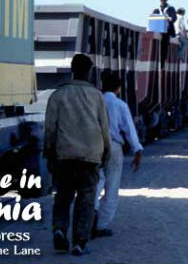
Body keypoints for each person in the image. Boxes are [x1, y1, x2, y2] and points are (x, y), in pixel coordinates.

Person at [44, 54, 111, 256]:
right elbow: (104, 128)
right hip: (90, 154)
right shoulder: (97, 96)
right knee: (86, 198)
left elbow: (50, 128)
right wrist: (106, 151)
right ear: (89, 72)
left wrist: (49, 152)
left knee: (63, 196)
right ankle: (80, 242)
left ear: (72, 70)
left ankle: (59, 229)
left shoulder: (58, 94)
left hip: (65, 154)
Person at [93, 74, 143, 238]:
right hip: (114, 147)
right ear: (118, 88)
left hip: (94, 146)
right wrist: (137, 151)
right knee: (112, 187)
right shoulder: (120, 105)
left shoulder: (94, 102)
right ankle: (101, 225)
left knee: (95, 183)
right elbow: (129, 130)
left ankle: (89, 216)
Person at [152, 0, 177, 68]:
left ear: (166, 0)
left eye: (164, 0)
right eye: (161, 0)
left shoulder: (171, 8)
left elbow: (174, 18)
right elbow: (153, 17)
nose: (163, 1)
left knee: (164, 47)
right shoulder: (157, 9)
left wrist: (168, 18)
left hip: (167, 30)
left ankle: (162, 63)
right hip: (158, 30)